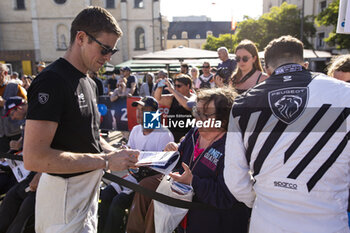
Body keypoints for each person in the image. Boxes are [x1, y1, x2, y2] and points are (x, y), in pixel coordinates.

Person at [22, 6, 139, 233]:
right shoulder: (52, 80)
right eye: (105, 49)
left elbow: (91, 138)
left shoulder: (88, 81)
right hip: (63, 196)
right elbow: (34, 158)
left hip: (86, 193)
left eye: (112, 52)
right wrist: (106, 161)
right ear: (81, 38)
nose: (107, 58)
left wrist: (117, 153)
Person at [224, 35, 350, 233]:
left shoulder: (243, 104)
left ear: (266, 69)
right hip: (328, 222)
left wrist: (264, 200)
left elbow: (234, 178)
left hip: (266, 222)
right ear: (305, 64)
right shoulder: (345, 94)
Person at [127, 88, 250, 233]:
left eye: (205, 114)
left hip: (210, 217)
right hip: (183, 193)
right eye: (197, 112)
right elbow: (180, 161)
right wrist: (172, 152)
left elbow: (226, 196)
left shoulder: (232, 146)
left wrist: (193, 181)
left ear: (224, 118)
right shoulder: (195, 132)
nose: (198, 118)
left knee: (160, 201)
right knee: (145, 186)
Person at [98, 96, 174, 233]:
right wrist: (125, 152)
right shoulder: (136, 130)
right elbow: (129, 155)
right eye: (138, 109)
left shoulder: (164, 134)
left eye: (144, 109)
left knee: (119, 201)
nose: (139, 113)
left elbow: (163, 169)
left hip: (148, 182)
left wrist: (139, 159)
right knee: (106, 194)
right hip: (133, 176)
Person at [0, 96, 39, 233]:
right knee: (12, 196)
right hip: (31, 170)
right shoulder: (29, 118)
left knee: (26, 206)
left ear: (19, 107)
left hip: (43, 171)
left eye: (12, 114)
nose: (13, 118)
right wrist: (17, 145)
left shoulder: (39, 113)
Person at [154, 74, 196, 142]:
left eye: (179, 86)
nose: (176, 88)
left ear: (188, 86)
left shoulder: (194, 97)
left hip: (188, 136)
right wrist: (160, 87)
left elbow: (188, 105)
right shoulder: (173, 97)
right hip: (172, 136)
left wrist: (173, 90)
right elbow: (158, 99)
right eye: (175, 86)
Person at [0, 63, 27, 153]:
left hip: (17, 133)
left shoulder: (15, 88)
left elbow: (26, 106)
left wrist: (4, 103)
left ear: (5, 73)